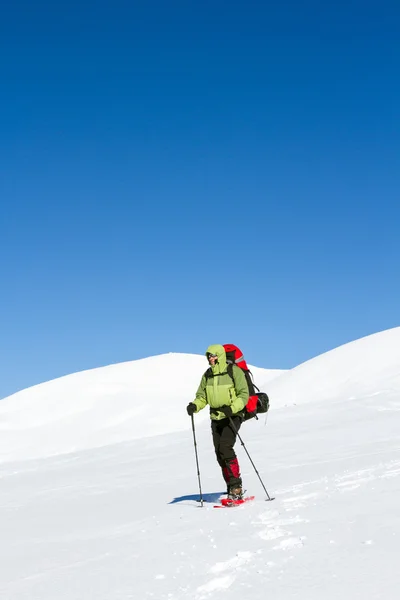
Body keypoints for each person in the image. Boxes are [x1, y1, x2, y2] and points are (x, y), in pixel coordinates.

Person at [186, 344, 249, 499]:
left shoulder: (234, 372)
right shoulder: (207, 375)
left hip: (233, 415)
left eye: (213, 356)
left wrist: (233, 408)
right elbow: (202, 396)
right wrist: (195, 406)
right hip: (216, 417)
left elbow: (243, 395)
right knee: (219, 454)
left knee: (225, 447)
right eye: (208, 356)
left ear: (220, 356)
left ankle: (236, 487)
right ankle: (230, 486)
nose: (210, 359)